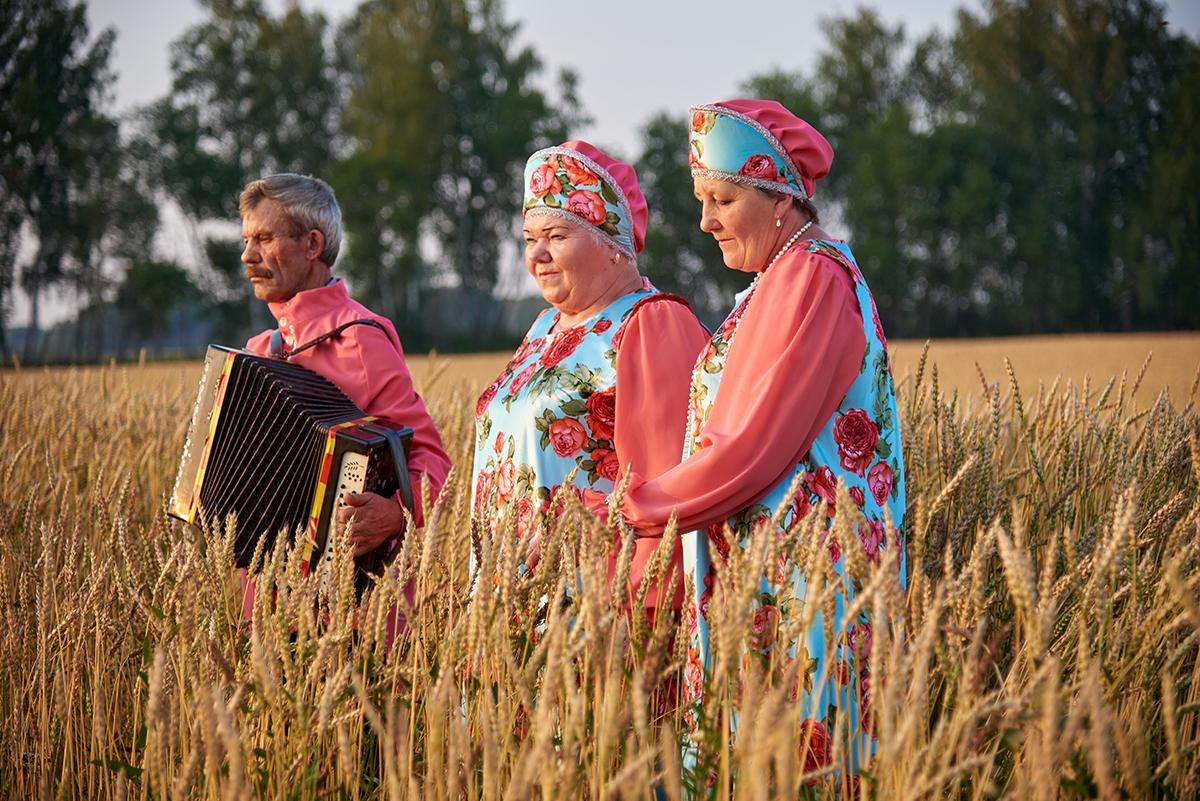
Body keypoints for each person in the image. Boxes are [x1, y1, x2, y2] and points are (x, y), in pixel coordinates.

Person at [586, 100, 906, 781]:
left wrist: (636, 508)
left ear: (780, 197)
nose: (705, 220)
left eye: (722, 198)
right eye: (702, 199)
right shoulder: (779, 282)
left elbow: (753, 444)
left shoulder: (812, 277)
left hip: (806, 590)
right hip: (769, 587)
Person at [471, 140, 710, 617]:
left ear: (613, 244)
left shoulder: (650, 323)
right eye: (528, 237)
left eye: (557, 236)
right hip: (505, 610)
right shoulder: (544, 326)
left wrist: (630, 624)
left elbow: (668, 496)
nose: (536, 254)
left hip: (589, 616)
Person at [238, 173, 451, 616]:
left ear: (312, 245)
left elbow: (432, 462)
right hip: (266, 606)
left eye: (263, 238)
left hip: (353, 607)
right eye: (246, 239)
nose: (247, 255)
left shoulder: (359, 340)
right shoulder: (258, 351)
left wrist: (394, 514)